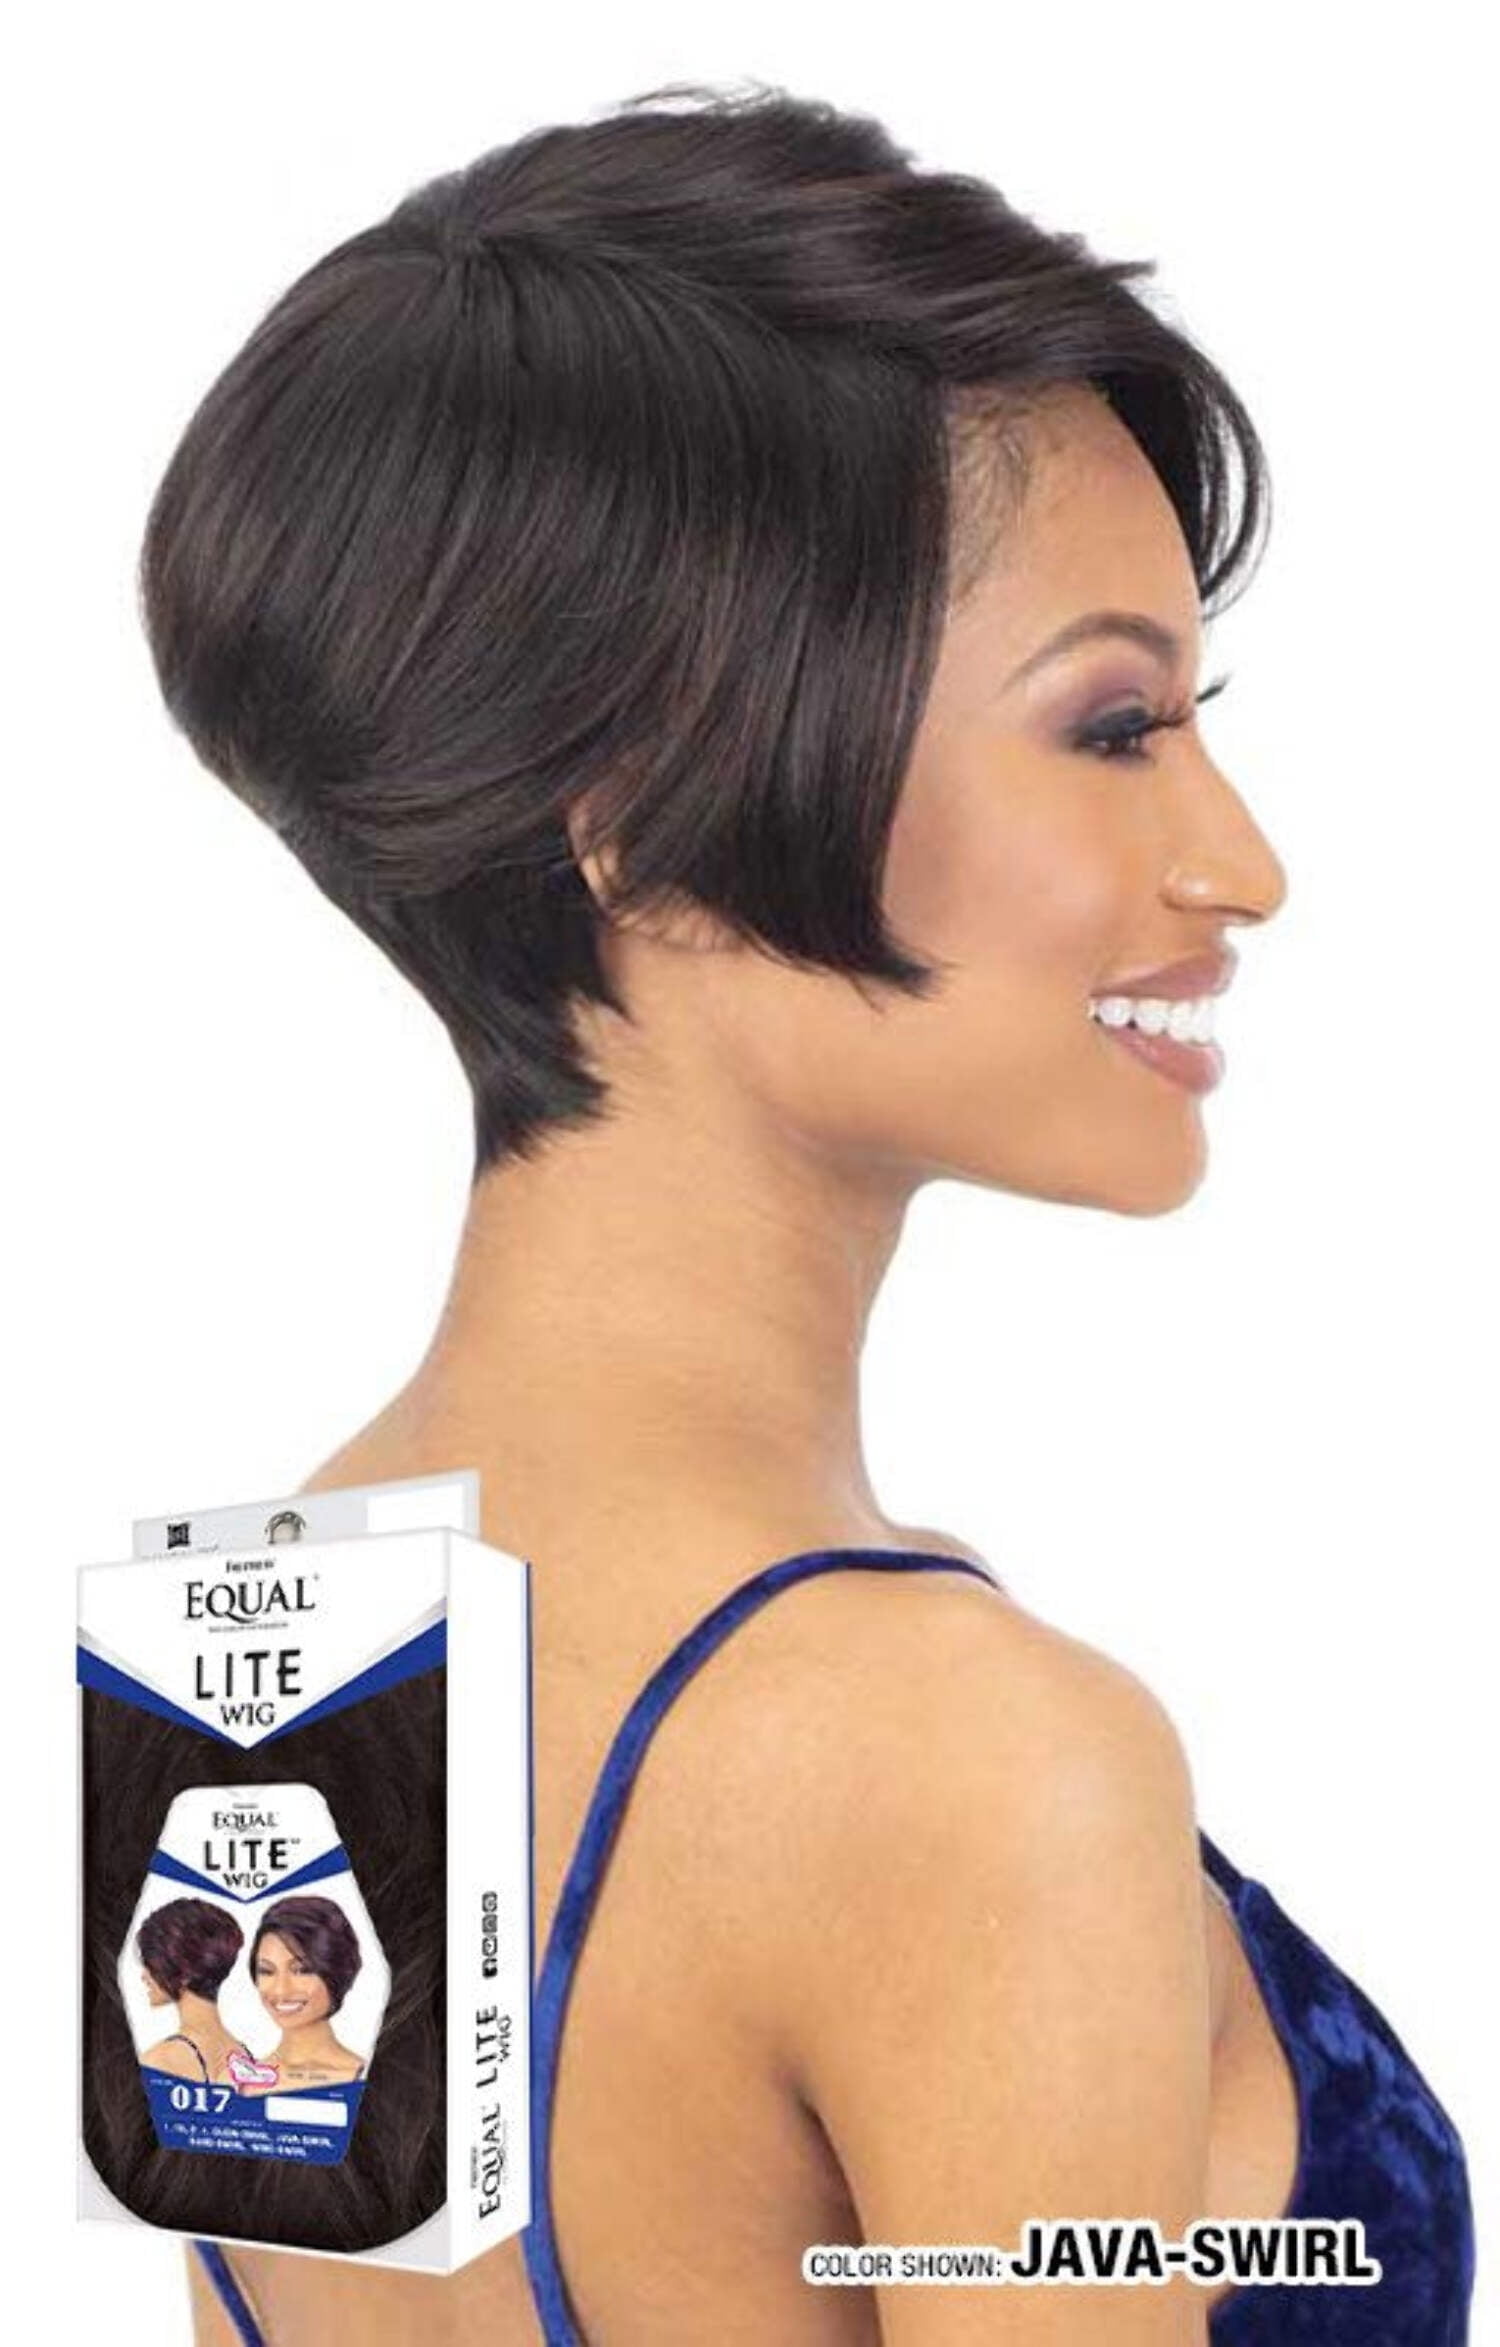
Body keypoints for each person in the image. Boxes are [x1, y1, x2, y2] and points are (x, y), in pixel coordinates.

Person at [150, 82, 1473, 2347]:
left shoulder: (258, 1642)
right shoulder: (969, 1756)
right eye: (1113, 724)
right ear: (646, 800)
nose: (1239, 863)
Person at [245, 1899, 366, 2090]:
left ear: (336, 1972)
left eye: (301, 1970)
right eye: (267, 1971)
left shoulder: (368, 2078)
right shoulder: (238, 2081)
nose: (280, 1990)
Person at [135, 1897, 252, 2088]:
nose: (144, 1976)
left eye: (150, 1963)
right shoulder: (245, 2058)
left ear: (184, 1973)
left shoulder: (158, 2062)